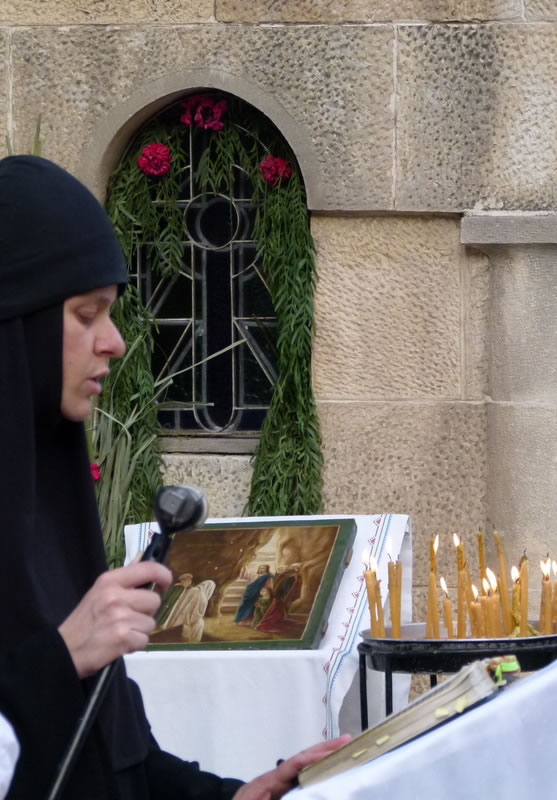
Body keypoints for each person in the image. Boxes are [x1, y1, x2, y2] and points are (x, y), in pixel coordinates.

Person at [0, 155, 349, 800]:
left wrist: (236, 795)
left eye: (111, 313)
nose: (114, 342)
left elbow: (117, 763)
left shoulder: (50, 504)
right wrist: (63, 658)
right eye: (86, 314)